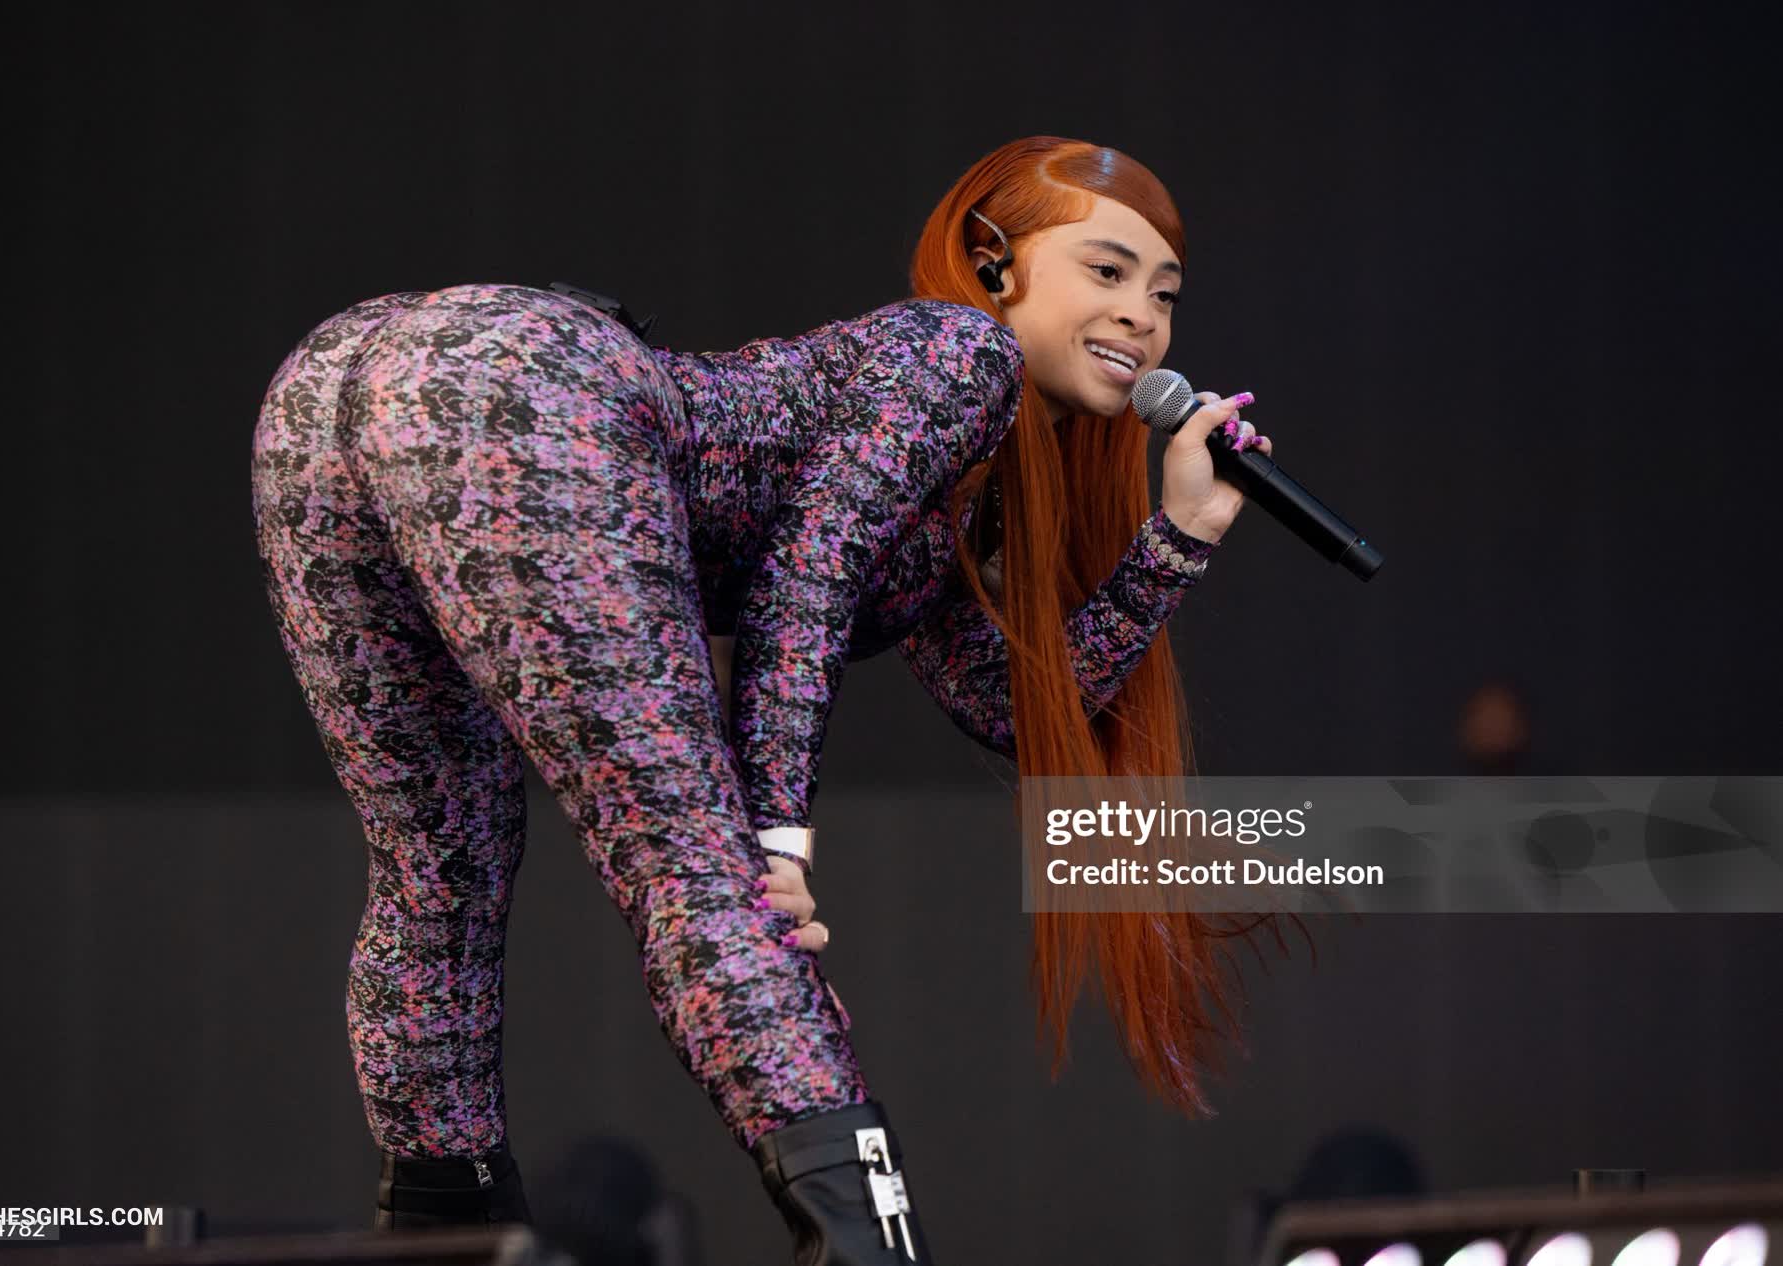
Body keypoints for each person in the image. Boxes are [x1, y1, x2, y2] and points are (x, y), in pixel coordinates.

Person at [250, 134, 1276, 1262]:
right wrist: (777, 836)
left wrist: (1180, 534)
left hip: (328, 391)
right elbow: (811, 569)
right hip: (517, 385)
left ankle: (439, 1228)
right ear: (993, 264)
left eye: (1164, 294)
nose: (1140, 316)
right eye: (1107, 271)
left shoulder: (962, 466)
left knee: (439, 864)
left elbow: (1005, 702)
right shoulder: (958, 352)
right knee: (705, 873)